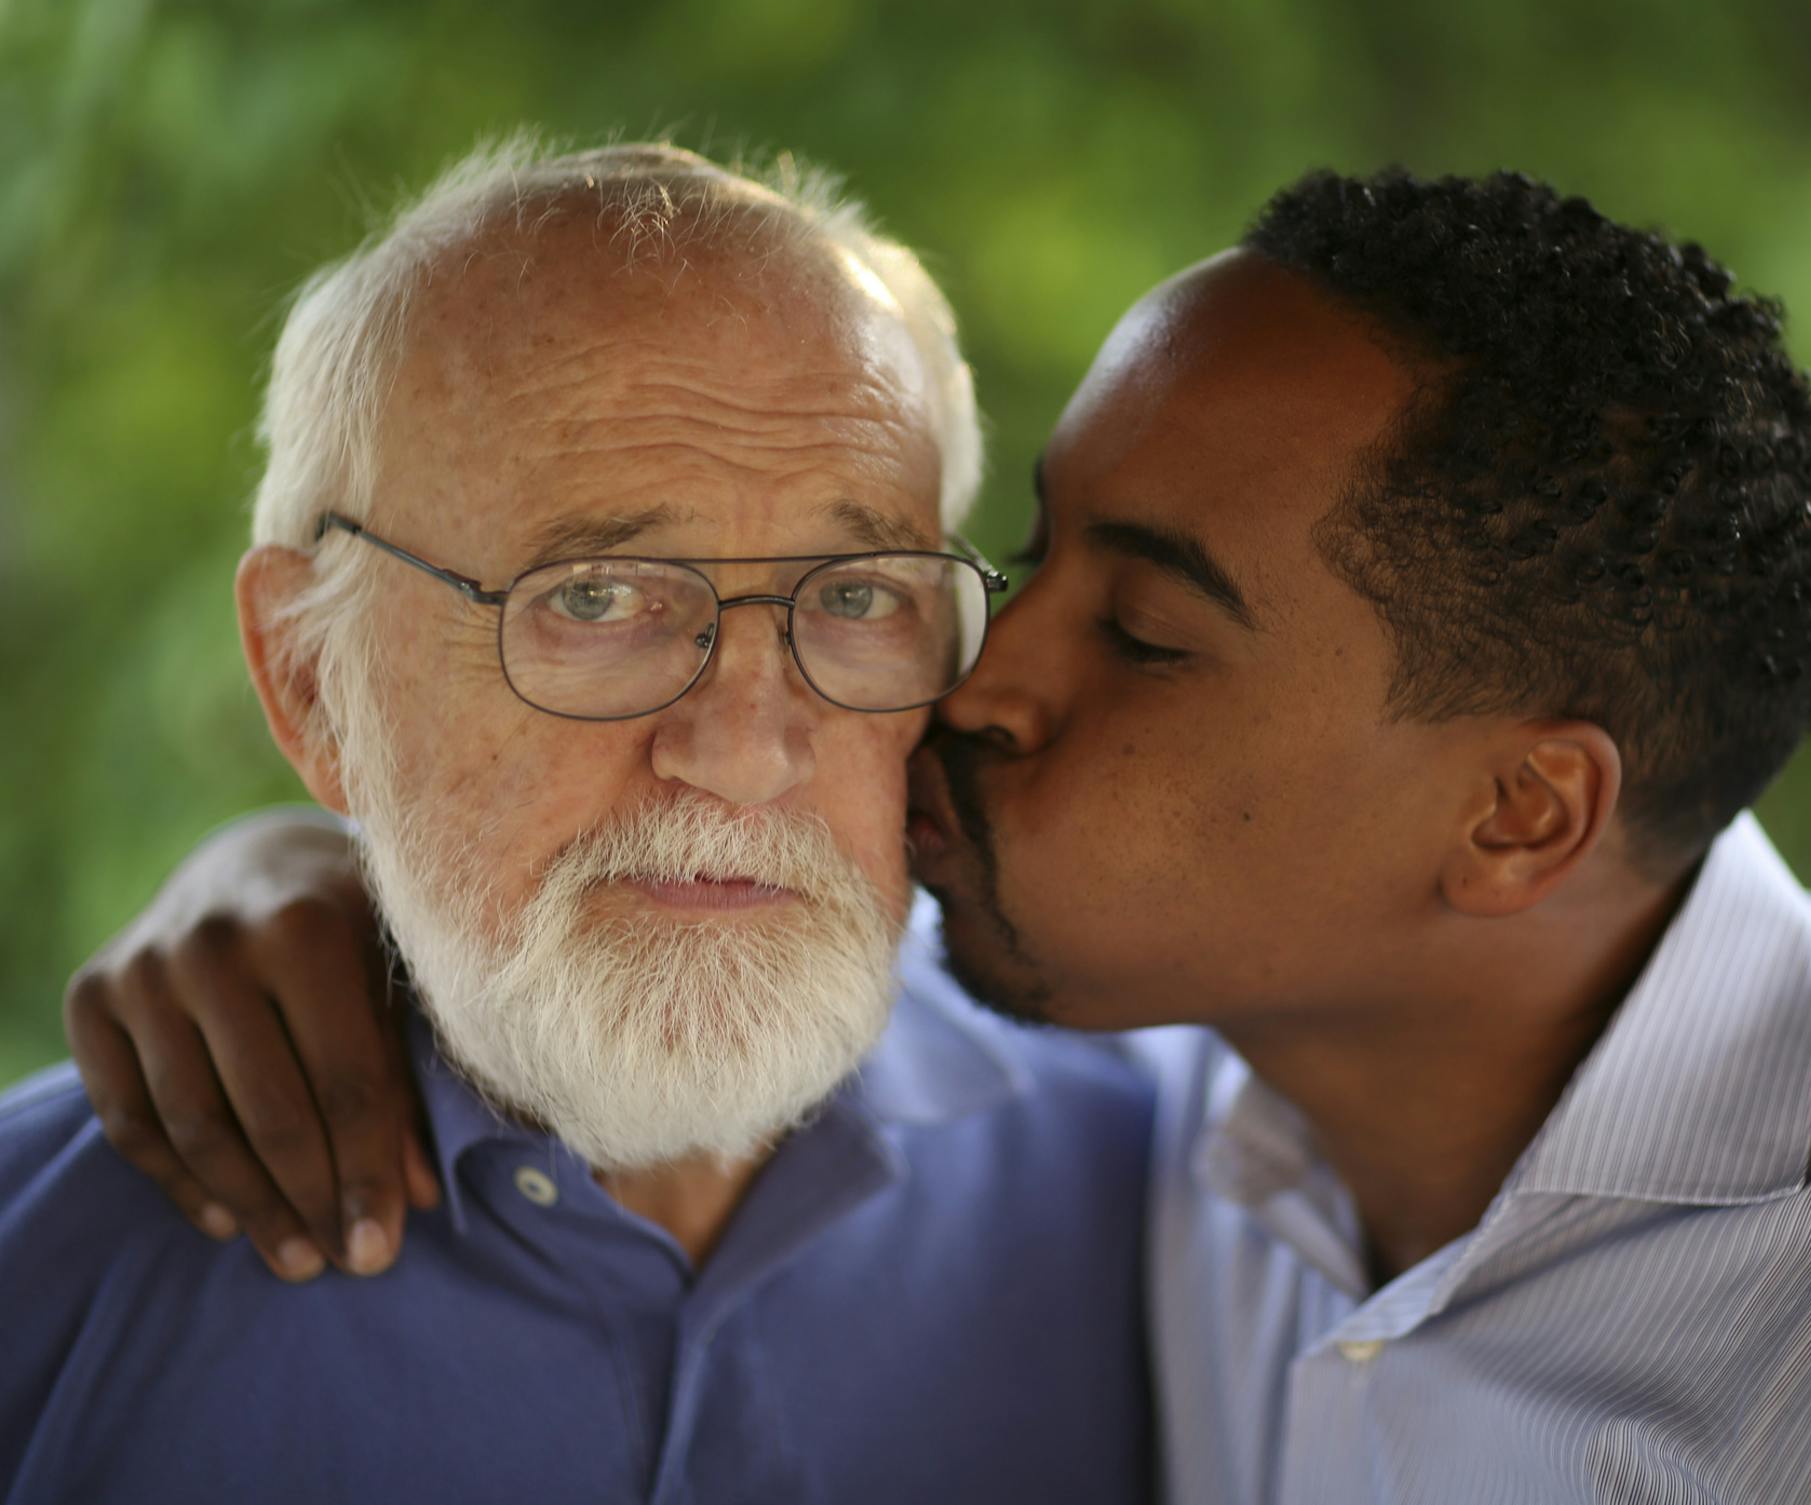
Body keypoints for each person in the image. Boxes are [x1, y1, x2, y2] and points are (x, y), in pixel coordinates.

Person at [60, 165, 1811, 1501]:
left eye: (1146, 632)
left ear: (1520, 812)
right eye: (1019, 556)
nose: (960, 688)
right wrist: (306, 854)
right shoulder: (1196, 1142)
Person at [0, 140, 1158, 1505]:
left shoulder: (1168, 1203)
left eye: (854, 596)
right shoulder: (39, 1287)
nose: (740, 750)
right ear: (314, 681)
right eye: (596, 597)